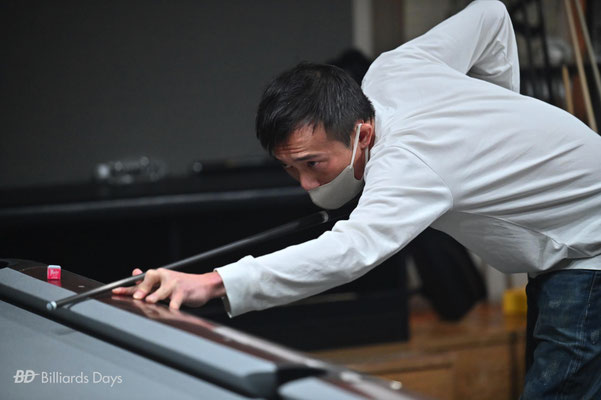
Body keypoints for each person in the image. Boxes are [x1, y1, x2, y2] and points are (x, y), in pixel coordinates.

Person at [113, 1, 601, 398]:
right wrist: (500, 127)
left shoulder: (407, 164)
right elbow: (490, 15)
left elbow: (350, 252)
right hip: (564, 250)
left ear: (363, 134)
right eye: (291, 169)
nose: (306, 184)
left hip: (587, 249)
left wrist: (213, 283)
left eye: (313, 164)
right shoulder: (390, 71)